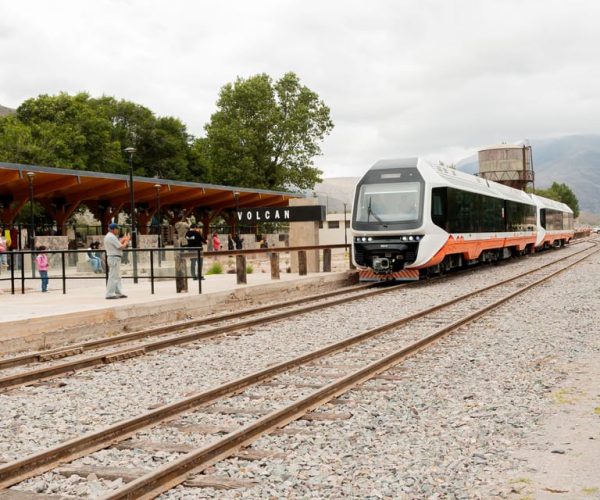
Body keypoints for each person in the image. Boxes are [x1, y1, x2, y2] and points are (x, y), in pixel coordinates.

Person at [104, 223, 130, 299]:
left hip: (114, 257)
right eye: (117, 229)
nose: (118, 230)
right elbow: (120, 247)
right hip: (114, 258)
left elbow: (118, 244)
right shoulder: (111, 237)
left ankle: (118, 292)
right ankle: (110, 293)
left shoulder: (110, 236)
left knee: (117, 276)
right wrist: (126, 241)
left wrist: (123, 239)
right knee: (113, 276)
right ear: (113, 229)